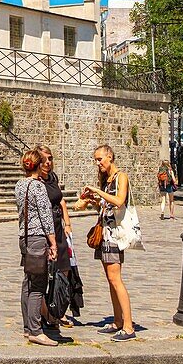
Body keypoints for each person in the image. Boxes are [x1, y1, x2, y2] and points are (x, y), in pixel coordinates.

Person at [82, 144, 135, 342]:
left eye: (100, 159)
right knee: (110, 280)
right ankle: (118, 320)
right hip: (105, 233)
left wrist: (97, 190)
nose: (98, 163)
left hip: (115, 235)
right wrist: (93, 200)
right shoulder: (108, 180)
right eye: (96, 160)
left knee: (116, 279)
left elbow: (119, 201)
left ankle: (128, 326)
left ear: (110, 157)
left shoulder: (121, 177)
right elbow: (107, 206)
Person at [15, 148, 58, 346]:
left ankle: (27, 327)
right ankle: (35, 330)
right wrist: (53, 242)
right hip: (38, 237)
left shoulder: (20, 185)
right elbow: (46, 217)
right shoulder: (38, 187)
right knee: (38, 285)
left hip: (24, 237)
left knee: (28, 282)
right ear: (39, 165)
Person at [37, 145, 74, 329]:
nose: (48, 163)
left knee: (64, 270)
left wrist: (67, 223)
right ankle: (47, 313)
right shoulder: (36, 181)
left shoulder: (52, 178)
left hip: (58, 229)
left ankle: (58, 309)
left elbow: (61, 200)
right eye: (44, 160)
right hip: (44, 230)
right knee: (45, 273)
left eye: (50, 158)